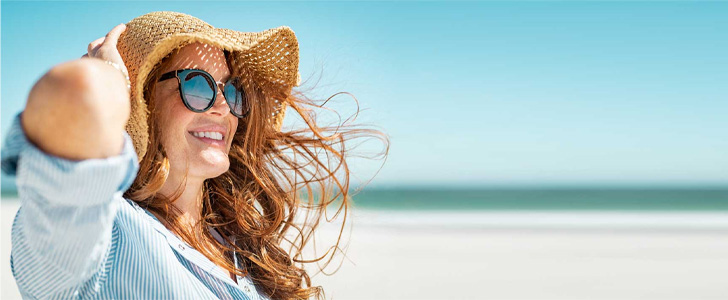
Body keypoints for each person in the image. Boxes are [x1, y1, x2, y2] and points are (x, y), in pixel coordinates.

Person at [1, 11, 388, 300]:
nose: (222, 106)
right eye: (198, 86)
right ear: (143, 102)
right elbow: (72, 91)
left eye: (231, 90)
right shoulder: (101, 237)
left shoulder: (237, 246)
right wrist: (108, 82)